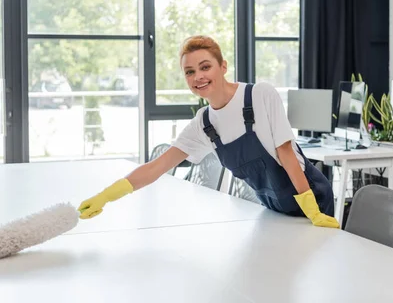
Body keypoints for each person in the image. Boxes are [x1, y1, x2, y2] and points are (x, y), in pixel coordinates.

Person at [78, 35, 339, 228]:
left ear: (222, 67)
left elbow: (286, 155)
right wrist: (105, 196)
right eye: (189, 72)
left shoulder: (259, 95)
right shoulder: (204, 124)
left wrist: (312, 211)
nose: (198, 77)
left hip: (310, 198)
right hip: (273, 209)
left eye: (205, 67)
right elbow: (156, 167)